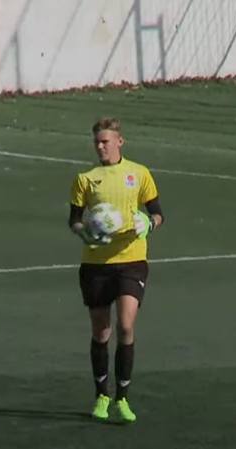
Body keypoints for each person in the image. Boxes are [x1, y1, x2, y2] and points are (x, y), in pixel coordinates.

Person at [68, 117, 164, 423]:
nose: (100, 147)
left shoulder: (139, 173)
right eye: (96, 142)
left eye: (105, 141)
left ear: (119, 142)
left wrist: (149, 223)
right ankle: (102, 396)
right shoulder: (86, 179)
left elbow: (158, 213)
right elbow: (74, 220)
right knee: (101, 331)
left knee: (125, 325)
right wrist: (85, 233)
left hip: (131, 261)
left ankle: (122, 397)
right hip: (96, 265)